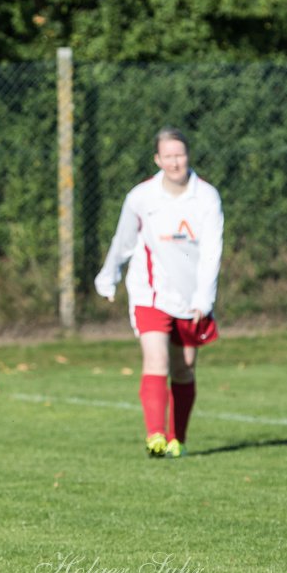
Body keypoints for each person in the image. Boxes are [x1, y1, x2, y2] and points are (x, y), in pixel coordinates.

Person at [94, 127, 224, 458]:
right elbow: (123, 241)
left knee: (184, 368)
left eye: (179, 155)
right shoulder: (141, 197)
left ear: (188, 155)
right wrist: (108, 277)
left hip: (191, 298)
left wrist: (203, 300)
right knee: (156, 358)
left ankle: (176, 436)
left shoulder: (206, 197)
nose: (175, 162)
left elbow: (212, 251)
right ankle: (154, 435)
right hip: (149, 292)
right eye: (168, 156)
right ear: (158, 159)